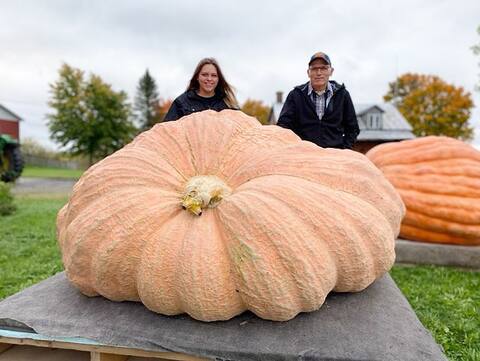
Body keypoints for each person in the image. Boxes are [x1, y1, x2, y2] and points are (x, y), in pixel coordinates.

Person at [277, 52, 360, 149]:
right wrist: (294, 148)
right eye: (314, 69)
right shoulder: (296, 95)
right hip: (304, 154)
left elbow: (353, 128)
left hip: (334, 155)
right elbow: (283, 126)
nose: (319, 73)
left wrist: (344, 149)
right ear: (308, 72)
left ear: (331, 71)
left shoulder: (342, 94)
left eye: (324, 68)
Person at [164, 58, 239, 121]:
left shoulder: (228, 103)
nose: (209, 79)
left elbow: (242, 131)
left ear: (218, 79)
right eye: (204, 75)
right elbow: (165, 132)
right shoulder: (181, 103)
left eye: (214, 75)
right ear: (197, 77)